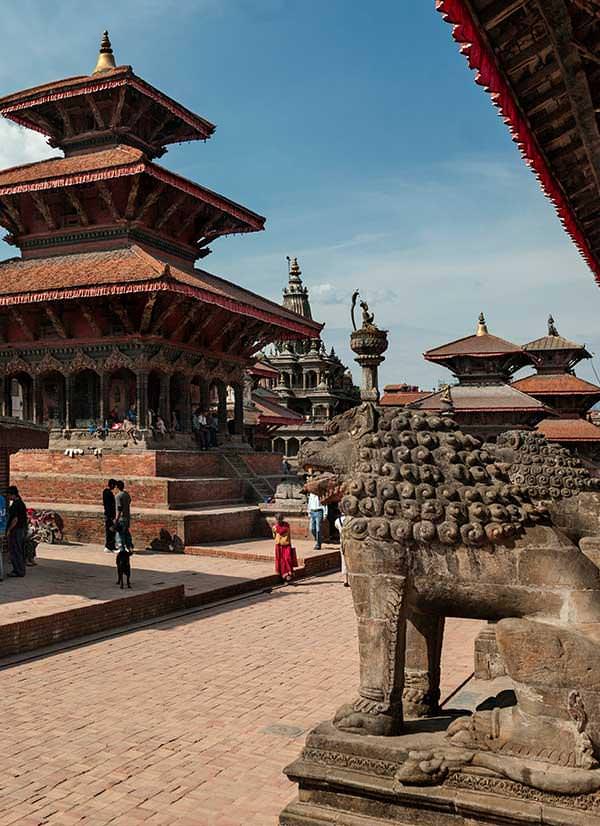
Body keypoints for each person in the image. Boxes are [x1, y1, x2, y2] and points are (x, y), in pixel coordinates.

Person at [6, 485, 28, 578]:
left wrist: (9, 530)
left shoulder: (16, 504)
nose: (8, 497)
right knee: (19, 550)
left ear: (12, 495)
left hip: (16, 530)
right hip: (21, 529)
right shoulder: (20, 503)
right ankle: (20, 570)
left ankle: (18, 570)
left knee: (15, 550)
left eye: (9, 495)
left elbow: (15, 519)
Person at [272, 512, 297, 583]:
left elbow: (281, 531)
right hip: (278, 545)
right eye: (277, 519)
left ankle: (288, 574)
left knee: (287, 559)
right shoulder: (275, 527)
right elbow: (274, 536)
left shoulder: (286, 525)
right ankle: (283, 575)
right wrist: (274, 530)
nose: (278, 521)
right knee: (280, 560)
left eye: (280, 519)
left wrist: (275, 528)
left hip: (286, 545)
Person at [114, 480, 133, 554]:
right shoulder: (127, 494)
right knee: (126, 533)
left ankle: (121, 548)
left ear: (117, 487)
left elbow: (119, 509)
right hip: (127, 516)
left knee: (119, 533)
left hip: (121, 518)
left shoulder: (118, 496)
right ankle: (130, 546)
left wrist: (116, 519)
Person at [334, 508, 349, 587]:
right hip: (351, 542)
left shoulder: (337, 521)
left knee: (344, 560)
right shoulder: (351, 519)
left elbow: (336, 527)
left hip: (342, 542)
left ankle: (345, 579)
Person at [103, 479, 117, 553]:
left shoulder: (105, 492)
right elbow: (110, 506)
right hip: (110, 515)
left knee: (108, 531)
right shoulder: (109, 493)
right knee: (111, 531)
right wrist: (112, 517)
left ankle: (109, 546)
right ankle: (110, 546)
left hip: (107, 514)